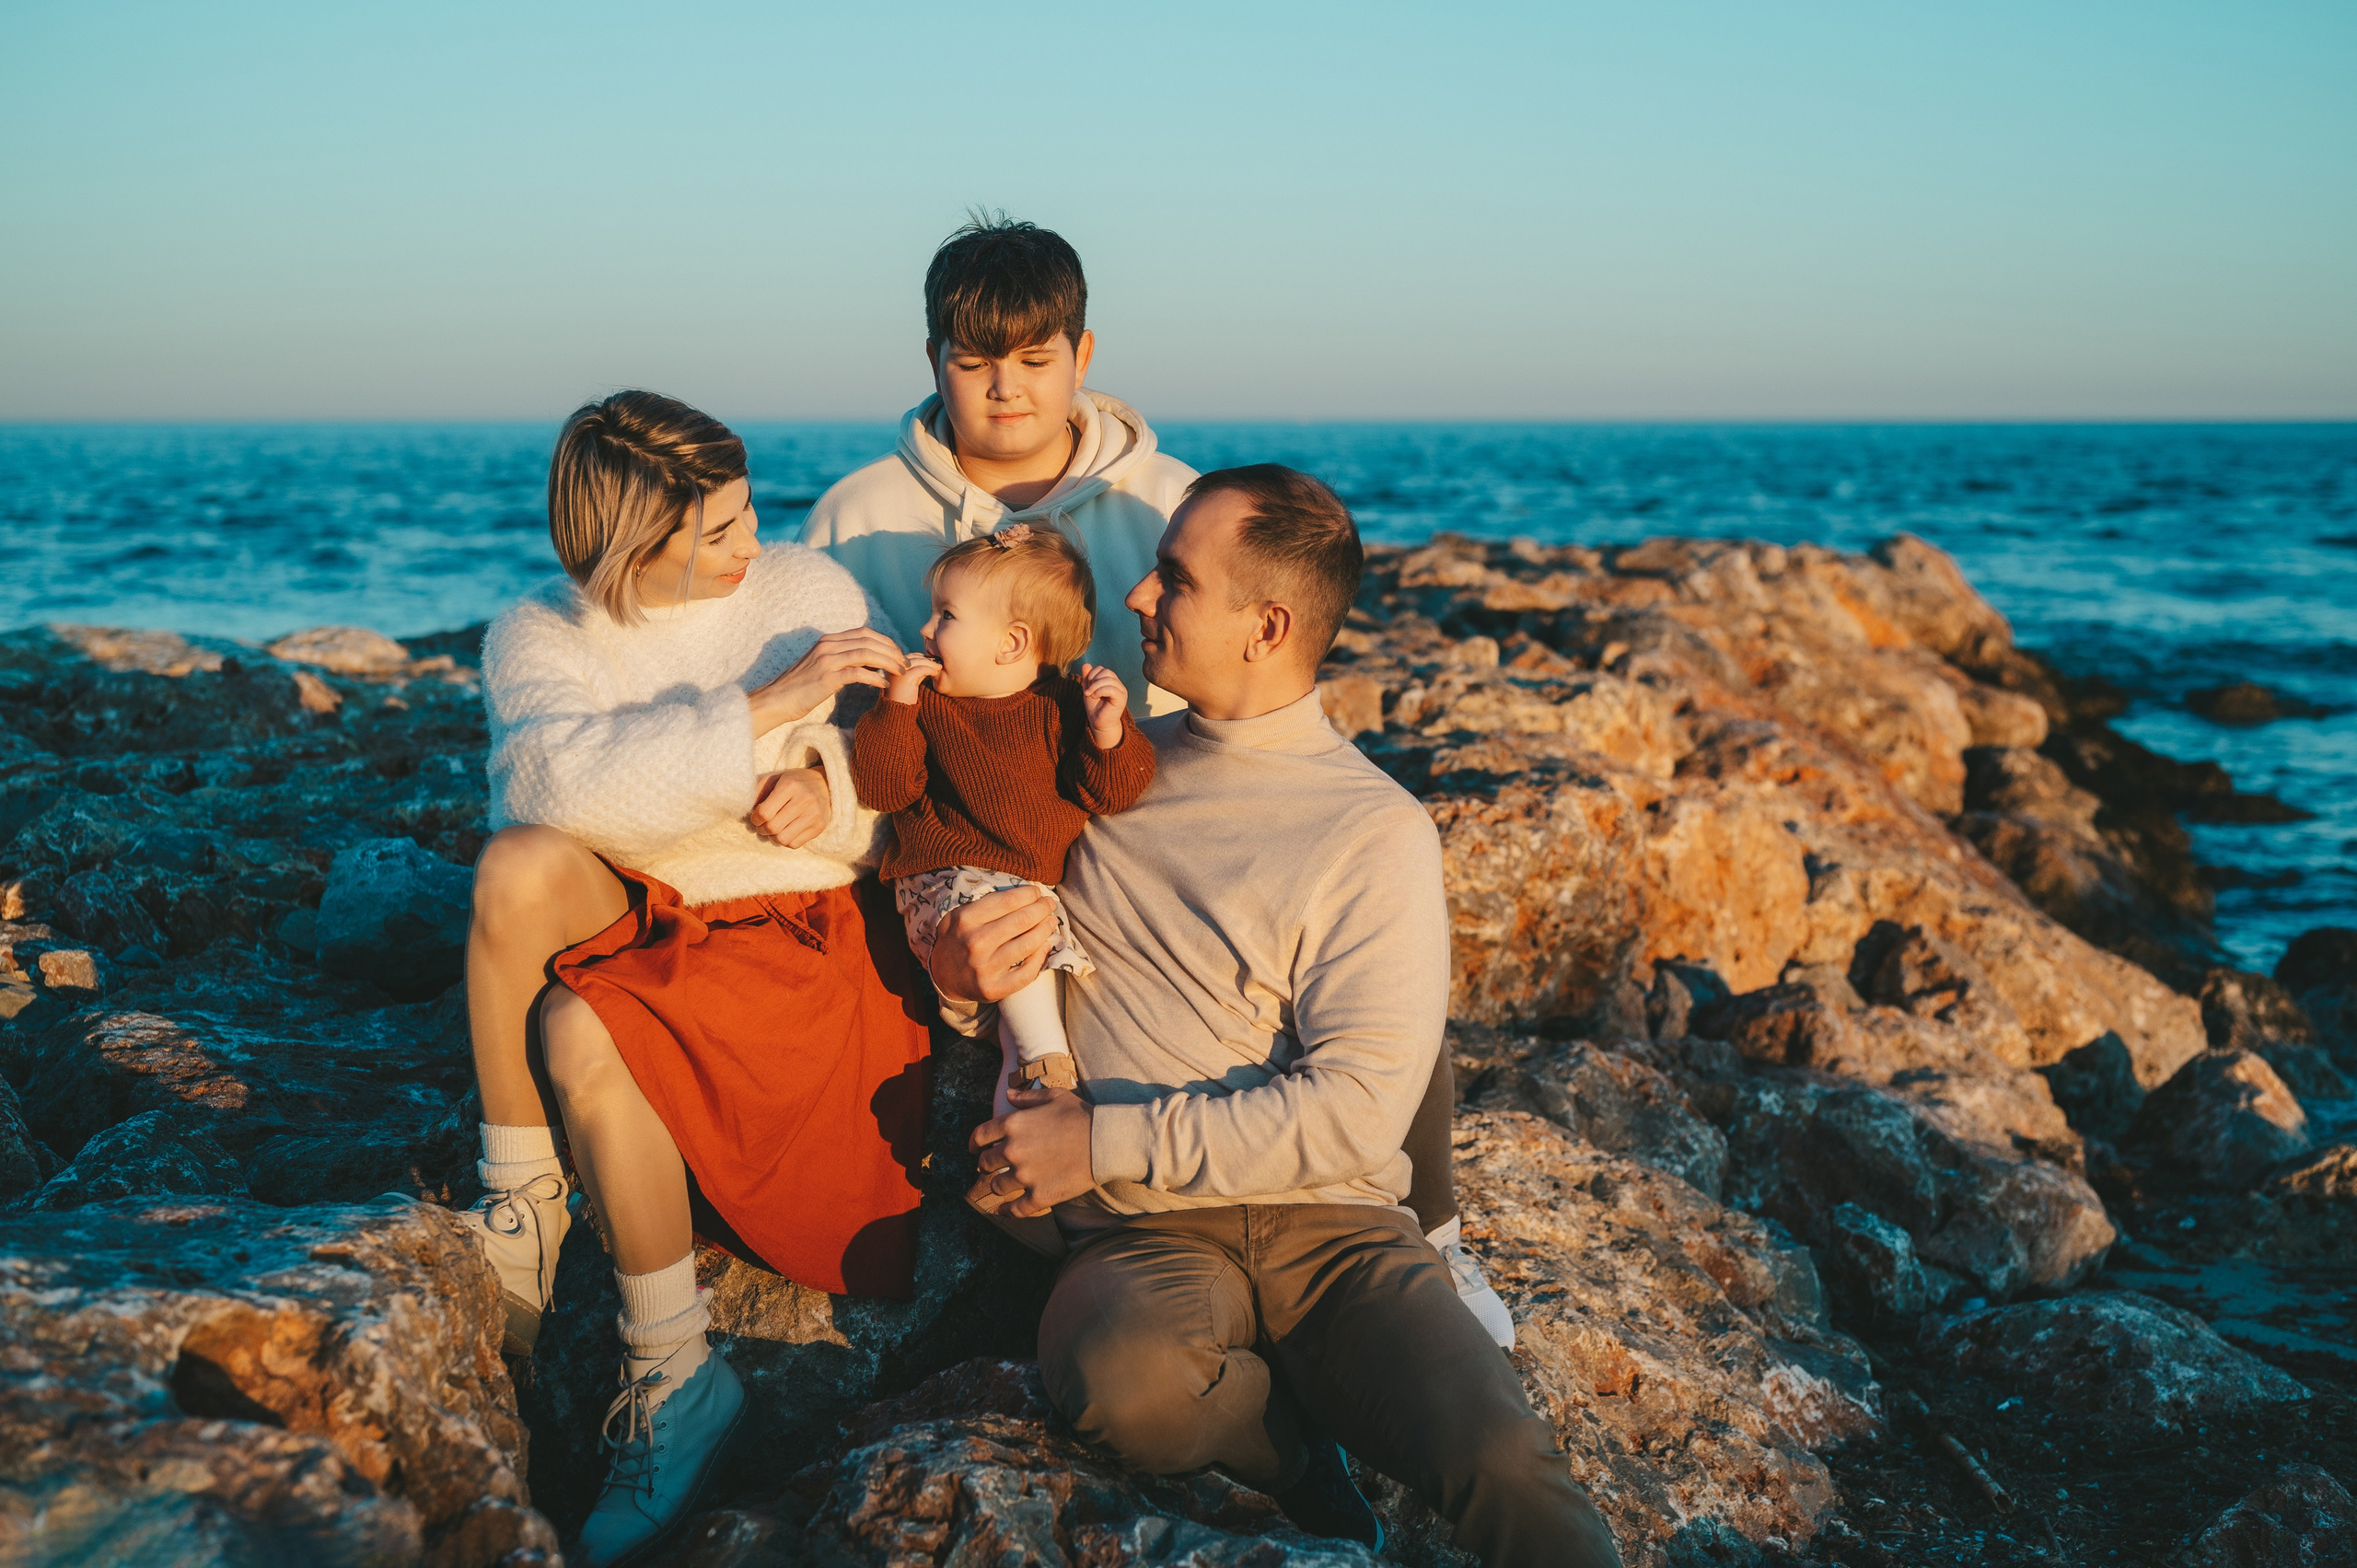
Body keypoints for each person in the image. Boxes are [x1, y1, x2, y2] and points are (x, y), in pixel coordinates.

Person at [807, 214, 1509, 1343]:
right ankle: (1125, 1259)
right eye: (975, 362)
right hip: (966, 855)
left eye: (1035, 361)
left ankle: (1429, 1231)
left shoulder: (1163, 500)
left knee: (1367, 905)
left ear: (1083, 356)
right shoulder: (856, 520)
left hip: (1141, 805)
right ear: (932, 359)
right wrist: (933, 927)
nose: (1005, 392)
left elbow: (1232, 689)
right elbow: (848, 740)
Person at [935, 467, 1622, 1565]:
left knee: (1500, 1455)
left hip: (1332, 1230)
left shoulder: (1372, 829)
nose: (1141, 601)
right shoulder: (1101, 769)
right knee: (1121, 1384)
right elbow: (963, 863)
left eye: (1173, 581)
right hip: (1146, 1228)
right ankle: (1297, 1457)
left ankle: (1347, 1402)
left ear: (1265, 625)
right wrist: (958, 969)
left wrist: (1098, 1137)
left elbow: (1357, 1109)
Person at [458, 391, 921, 1568]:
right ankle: (523, 1200)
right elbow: (552, 793)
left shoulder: (805, 594)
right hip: (645, 907)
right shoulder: (536, 634)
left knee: (576, 1025)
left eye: (748, 510)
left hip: (791, 923)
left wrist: (828, 780)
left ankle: (672, 1376)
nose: (751, 544)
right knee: (515, 864)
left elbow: (902, 765)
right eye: (714, 532)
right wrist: (763, 713)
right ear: (626, 544)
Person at [850, 523, 1155, 1137]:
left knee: (1024, 1007)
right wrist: (896, 708)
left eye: (946, 616)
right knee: (1015, 936)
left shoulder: (1064, 706)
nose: (926, 630)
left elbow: (1115, 792)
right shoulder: (928, 702)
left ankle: (1021, 1132)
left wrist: (1109, 734)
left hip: (1025, 902)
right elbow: (884, 789)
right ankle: (1048, 1057)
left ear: (1013, 642)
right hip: (942, 887)